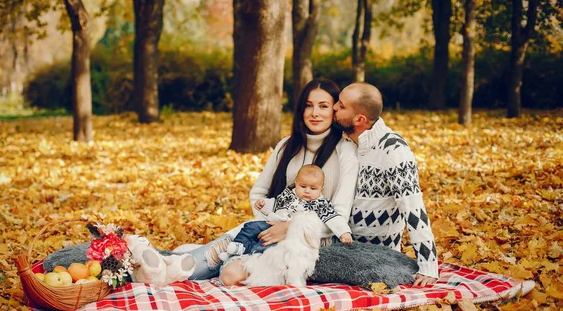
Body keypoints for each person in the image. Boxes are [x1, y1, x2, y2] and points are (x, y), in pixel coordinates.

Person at [185, 78, 359, 283]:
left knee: (229, 272)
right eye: (308, 106)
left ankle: (179, 264)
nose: (315, 113)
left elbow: (338, 214)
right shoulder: (287, 145)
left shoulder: (346, 152)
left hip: (310, 242)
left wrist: (290, 228)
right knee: (211, 254)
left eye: (323, 106)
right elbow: (258, 193)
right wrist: (270, 224)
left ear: (334, 111)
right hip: (268, 229)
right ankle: (163, 266)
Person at [332, 83, 439, 286]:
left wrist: (428, 266)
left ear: (359, 120)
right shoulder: (344, 142)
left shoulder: (394, 150)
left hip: (380, 256)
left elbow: (413, 210)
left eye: (341, 105)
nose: (334, 107)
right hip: (340, 247)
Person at [220, 164, 352, 261]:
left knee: (266, 244)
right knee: (250, 227)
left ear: (321, 189)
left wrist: (344, 232)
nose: (307, 191)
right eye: (303, 186)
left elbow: (334, 218)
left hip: (291, 236)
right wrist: (264, 205)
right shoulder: (289, 195)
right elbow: (276, 204)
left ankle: (249, 256)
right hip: (273, 223)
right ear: (296, 184)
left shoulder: (320, 204)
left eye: (313, 188)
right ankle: (238, 246)